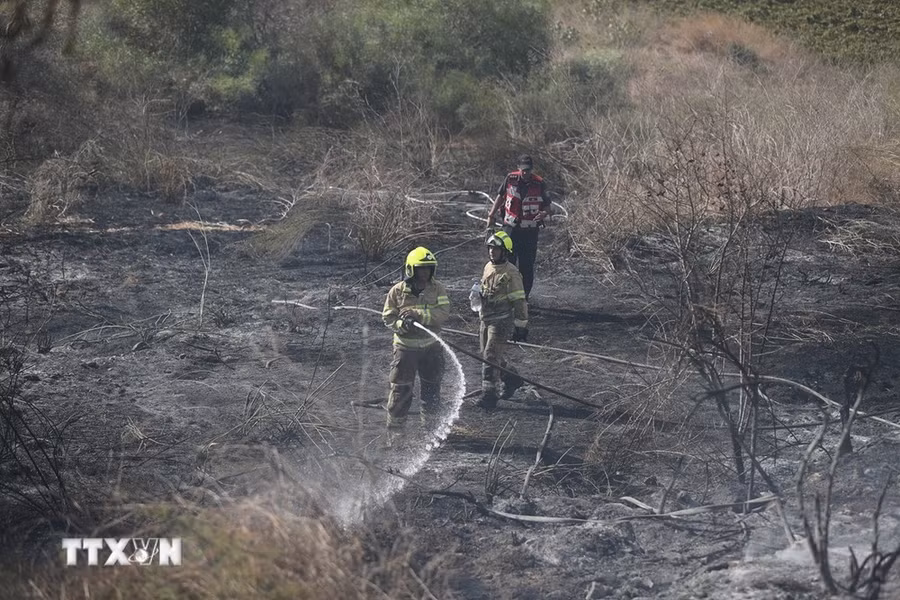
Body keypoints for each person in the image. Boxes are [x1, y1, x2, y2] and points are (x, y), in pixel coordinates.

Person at [381, 247, 450, 429]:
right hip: (406, 349)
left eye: (428, 268)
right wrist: (400, 325)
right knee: (401, 391)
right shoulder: (397, 291)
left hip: (431, 347)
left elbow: (443, 313)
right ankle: (395, 433)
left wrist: (419, 315)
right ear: (411, 269)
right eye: (421, 268)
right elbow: (388, 316)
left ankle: (431, 429)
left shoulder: (438, 289)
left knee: (432, 390)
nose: (425, 272)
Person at [485, 154, 551, 299]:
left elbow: (547, 205)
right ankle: (506, 294)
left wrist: (544, 214)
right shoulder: (510, 179)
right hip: (510, 229)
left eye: (528, 170)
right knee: (507, 262)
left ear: (532, 169)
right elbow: (500, 196)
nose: (525, 173)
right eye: (523, 170)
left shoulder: (539, 183)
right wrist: (491, 215)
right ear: (518, 169)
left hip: (530, 231)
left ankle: (523, 297)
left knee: (527, 266)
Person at [475, 231, 528, 411]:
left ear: (505, 251)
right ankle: (512, 378)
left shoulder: (511, 273)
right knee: (488, 354)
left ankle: (489, 395)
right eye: (490, 248)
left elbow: (519, 301)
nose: (492, 252)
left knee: (490, 357)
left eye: (496, 249)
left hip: (501, 321)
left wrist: (521, 325)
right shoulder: (488, 267)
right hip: (486, 318)